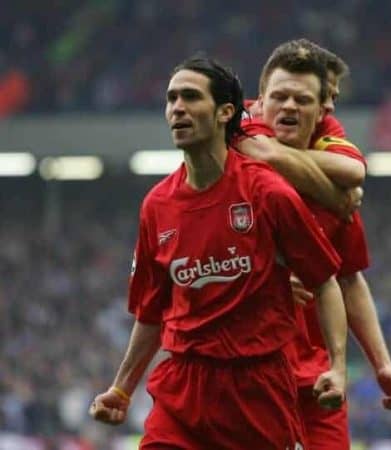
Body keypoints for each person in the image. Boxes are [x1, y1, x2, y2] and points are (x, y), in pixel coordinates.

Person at [89, 55, 350, 450]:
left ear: (226, 112)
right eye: (171, 98)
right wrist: (122, 389)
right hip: (184, 389)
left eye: (191, 97)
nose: (177, 108)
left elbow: (325, 281)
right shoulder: (157, 206)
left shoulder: (269, 194)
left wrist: (339, 367)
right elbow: (150, 312)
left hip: (257, 390)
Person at [235, 40, 391, 450]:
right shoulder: (234, 132)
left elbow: (349, 278)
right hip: (242, 370)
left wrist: (382, 363)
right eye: (280, 96)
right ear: (261, 101)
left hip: (316, 378)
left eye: (312, 99)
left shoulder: (331, 147)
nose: (292, 107)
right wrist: (335, 196)